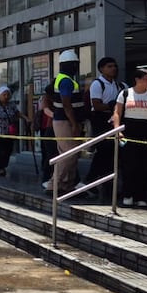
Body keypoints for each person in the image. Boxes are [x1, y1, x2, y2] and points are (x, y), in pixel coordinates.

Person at [113, 68, 147, 207]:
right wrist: (117, 129)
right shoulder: (125, 93)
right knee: (129, 164)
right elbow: (117, 112)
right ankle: (127, 194)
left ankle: (141, 196)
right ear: (137, 79)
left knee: (145, 165)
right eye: (146, 79)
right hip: (129, 130)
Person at [84, 57, 126, 190]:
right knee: (103, 151)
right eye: (109, 66)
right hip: (100, 121)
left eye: (114, 66)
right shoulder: (97, 84)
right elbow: (96, 105)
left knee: (112, 154)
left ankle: (106, 185)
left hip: (115, 120)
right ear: (101, 69)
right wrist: (111, 105)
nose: (113, 69)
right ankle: (89, 182)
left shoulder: (120, 85)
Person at [52, 50, 88, 194]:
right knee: (69, 154)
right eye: (75, 64)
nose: (76, 67)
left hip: (65, 120)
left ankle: (66, 184)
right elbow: (67, 104)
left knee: (71, 154)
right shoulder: (66, 81)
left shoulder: (64, 79)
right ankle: (55, 184)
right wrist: (74, 123)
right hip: (65, 121)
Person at [0, 85, 27, 176]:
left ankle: (4, 164)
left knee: (8, 149)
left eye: (8, 95)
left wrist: (26, 118)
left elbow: (17, 113)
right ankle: (1, 168)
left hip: (8, 132)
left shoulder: (11, 104)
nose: (6, 97)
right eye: (4, 95)